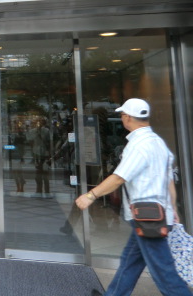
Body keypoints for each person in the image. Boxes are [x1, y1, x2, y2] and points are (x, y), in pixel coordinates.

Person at [75, 98, 191, 296]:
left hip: (148, 217)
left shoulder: (139, 145)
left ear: (128, 117)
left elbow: (119, 177)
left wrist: (91, 195)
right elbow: (169, 180)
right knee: (130, 262)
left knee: (164, 274)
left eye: (122, 115)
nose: (122, 119)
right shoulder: (158, 142)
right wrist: (173, 209)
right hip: (155, 214)